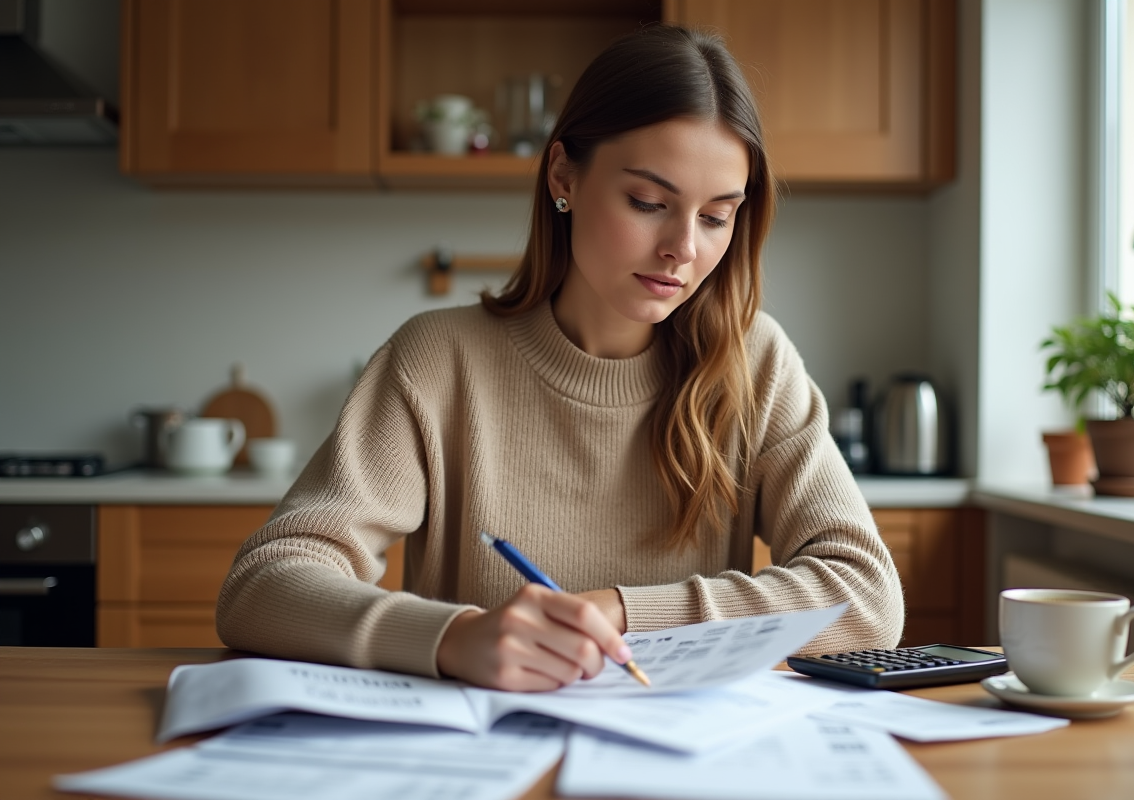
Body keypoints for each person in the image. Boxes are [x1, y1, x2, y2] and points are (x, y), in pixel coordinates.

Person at [216, 24, 904, 692]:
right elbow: (263, 584)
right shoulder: (436, 360)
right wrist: (453, 638)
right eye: (648, 202)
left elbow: (867, 596)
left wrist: (622, 614)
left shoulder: (754, 363)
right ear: (563, 175)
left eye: (716, 216)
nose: (683, 248)